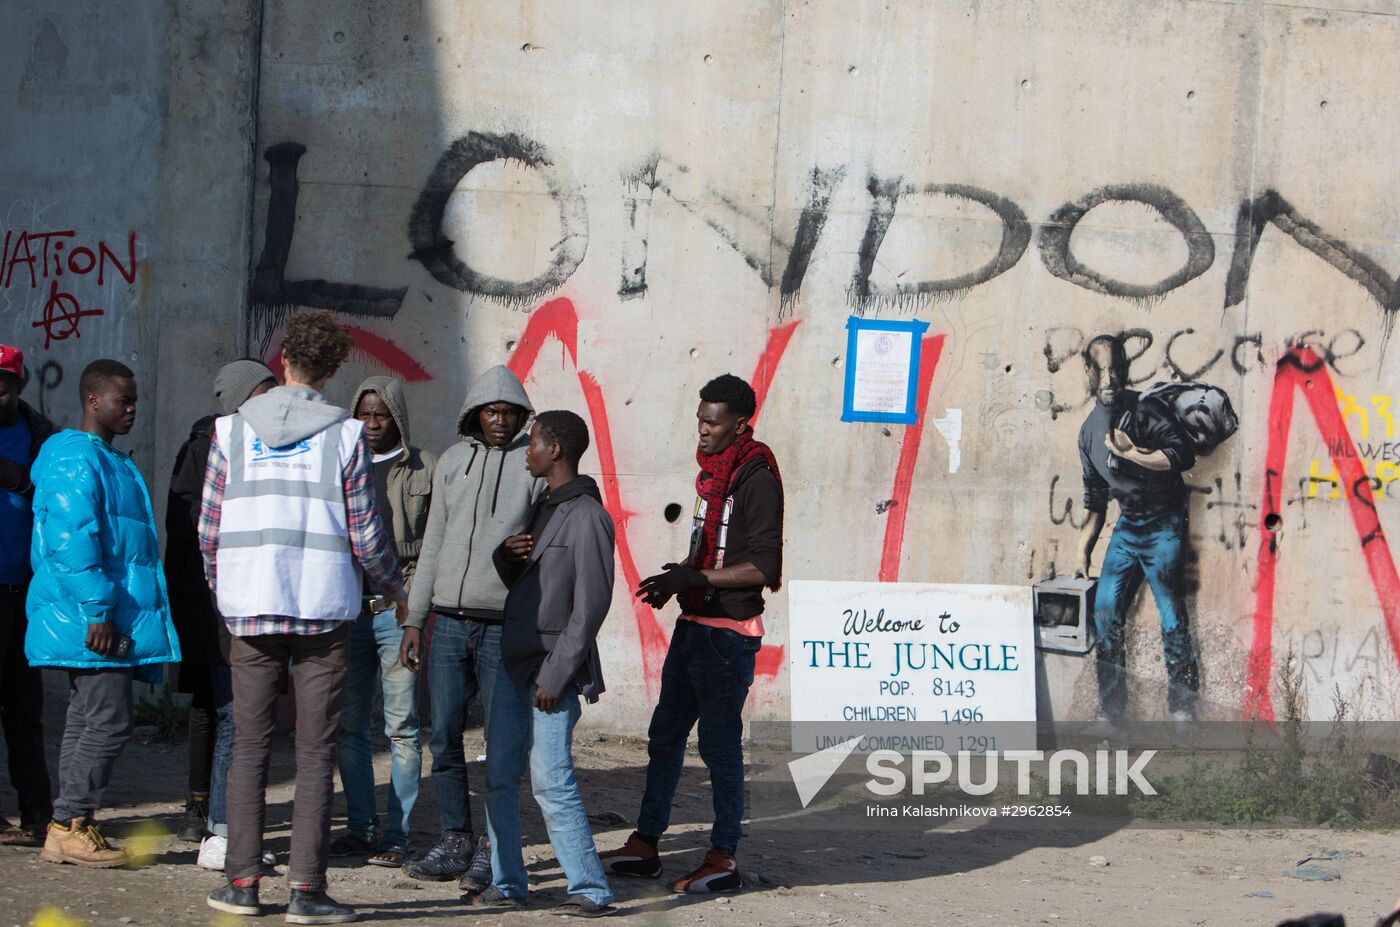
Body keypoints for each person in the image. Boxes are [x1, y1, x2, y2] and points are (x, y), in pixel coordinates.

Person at [200, 311, 406, 924]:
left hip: (250, 608)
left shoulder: (228, 433)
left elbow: (208, 530)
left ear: (282, 356)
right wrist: (392, 586)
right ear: (335, 367)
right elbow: (367, 534)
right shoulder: (345, 437)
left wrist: (225, 589)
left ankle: (241, 883)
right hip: (322, 611)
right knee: (316, 750)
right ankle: (306, 891)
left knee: (250, 746)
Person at [601, 374, 783, 894]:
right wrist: (677, 576)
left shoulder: (756, 477)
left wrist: (696, 578)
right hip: (695, 625)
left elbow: (763, 565)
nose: (701, 430)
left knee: (719, 748)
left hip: (728, 636)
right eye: (699, 420)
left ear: (739, 424)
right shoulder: (713, 473)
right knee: (664, 738)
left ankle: (723, 857)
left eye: (712, 422)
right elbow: (713, 549)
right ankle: (646, 844)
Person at [27, 359, 180, 868]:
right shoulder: (75, 458)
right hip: (91, 617)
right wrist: (98, 610)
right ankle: (71, 821)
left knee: (89, 718)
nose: (132, 409)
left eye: (135, 400)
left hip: (100, 613)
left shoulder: (104, 458)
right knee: (110, 719)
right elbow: (71, 542)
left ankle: (67, 823)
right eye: (123, 400)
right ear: (93, 400)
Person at [399, 366, 540, 890]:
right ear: (476, 414)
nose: (500, 420)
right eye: (491, 410)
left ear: (521, 415)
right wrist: (416, 618)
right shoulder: (453, 461)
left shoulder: (534, 466)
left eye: (508, 412)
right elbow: (432, 541)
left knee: (503, 745)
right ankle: (455, 837)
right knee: (444, 736)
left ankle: (493, 847)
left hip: (502, 626)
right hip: (448, 624)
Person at [472, 410, 614, 915]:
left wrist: (556, 675)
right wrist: (507, 557)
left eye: (533, 442)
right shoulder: (547, 507)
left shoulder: (588, 517)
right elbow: (535, 588)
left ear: (555, 450)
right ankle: (508, 883)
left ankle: (590, 889)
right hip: (514, 667)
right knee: (500, 777)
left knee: (552, 782)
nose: (526, 451)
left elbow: (590, 606)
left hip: (549, 672)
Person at [164, 359, 278, 866]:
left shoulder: (262, 442)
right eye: (265, 390)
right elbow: (194, 524)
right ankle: (208, 814)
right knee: (219, 707)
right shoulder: (207, 446)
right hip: (211, 598)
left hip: (231, 596)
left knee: (224, 707)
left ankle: (213, 814)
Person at [331, 376, 434, 868]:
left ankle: (397, 834)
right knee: (348, 727)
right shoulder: (338, 464)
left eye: (382, 415)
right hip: (346, 611)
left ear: (397, 416)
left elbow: (431, 547)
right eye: (364, 414)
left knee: (402, 728)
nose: (372, 424)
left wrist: (416, 608)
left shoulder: (423, 468)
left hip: (398, 612)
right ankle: (359, 827)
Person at [1074, 334, 1201, 733]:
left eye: (1116, 370)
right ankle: (1112, 713)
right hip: (1128, 528)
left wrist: (1133, 454)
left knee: (1170, 613)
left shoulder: (1145, 408)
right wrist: (1082, 552)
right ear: (1089, 375)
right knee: (1105, 610)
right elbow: (1095, 501)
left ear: (1124, 371)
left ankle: (1183, 709)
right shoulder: (1088, 432)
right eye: (1100, 371)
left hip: (1164, 522)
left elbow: (1182, 455)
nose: (1109, 380)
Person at [0, 345, 55, 848]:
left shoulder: (44, 440)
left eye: (2, 384)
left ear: (20, 385)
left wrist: (14, 476)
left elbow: (60, 500)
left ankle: (38, 815)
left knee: (23, 709)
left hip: (24, 594)